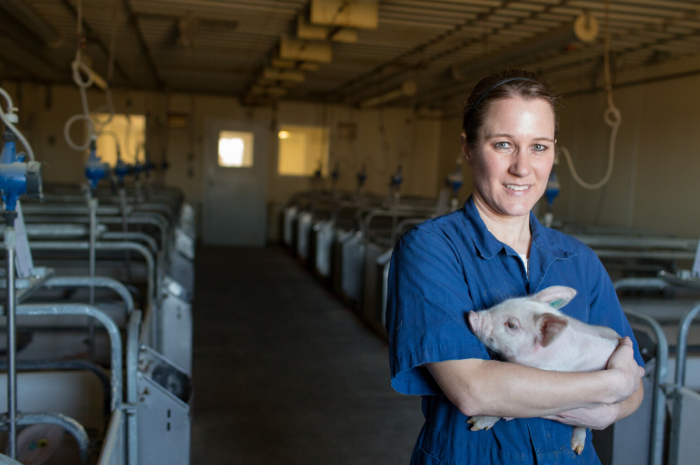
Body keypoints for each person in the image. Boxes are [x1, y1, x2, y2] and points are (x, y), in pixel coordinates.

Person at [386, 69, 645, 465]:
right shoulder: (431, 249)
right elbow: (476, 391)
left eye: (539, 147)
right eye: (503, 144)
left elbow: (636, 385)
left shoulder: (580, 262)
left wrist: (613, 406)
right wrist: (610, 384)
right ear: (468, 148)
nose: (523, 167)